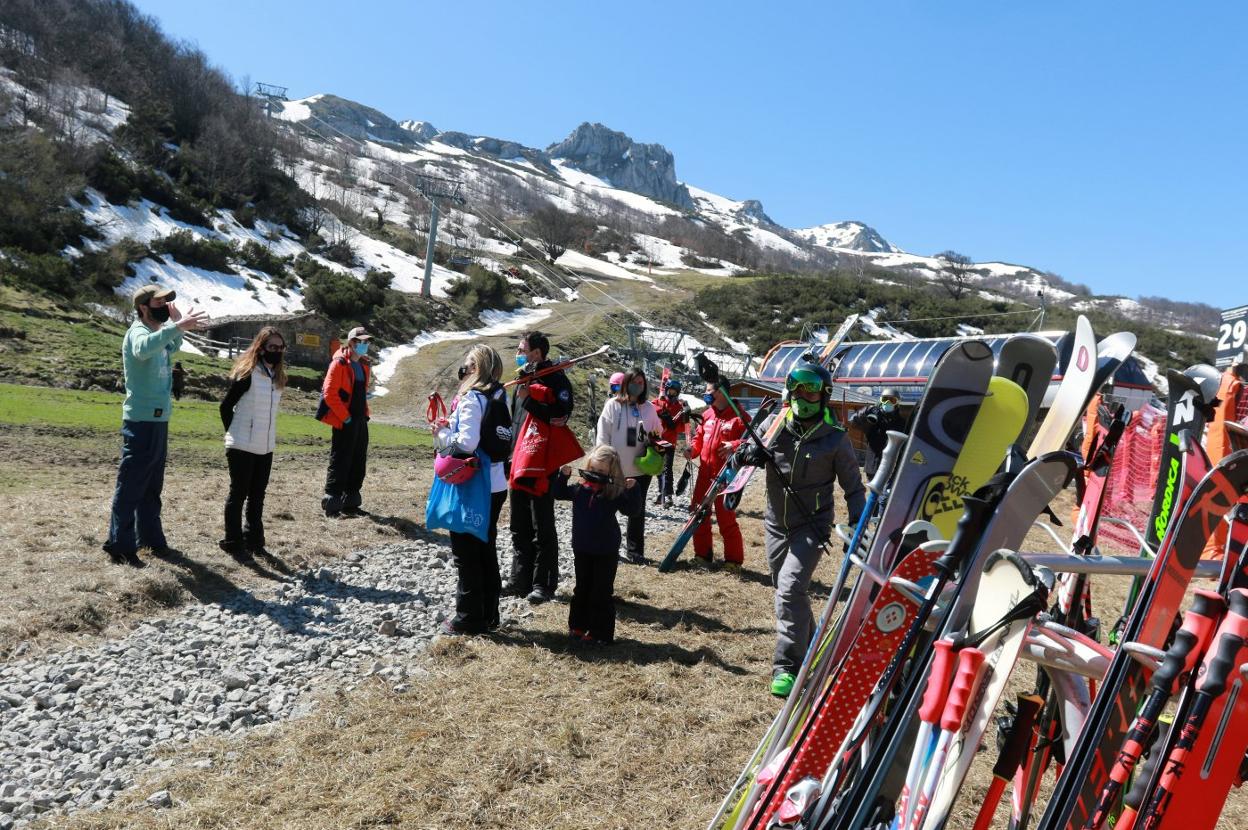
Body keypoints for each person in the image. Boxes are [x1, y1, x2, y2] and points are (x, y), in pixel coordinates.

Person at [739, 361, 865, 697]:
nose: (802, 395)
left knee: (790, 590)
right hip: (775, 524)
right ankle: (811, 647)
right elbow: (741, 452)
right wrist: (748, 455)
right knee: (787, 592)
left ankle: (787, 666)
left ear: (824, 395)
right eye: (796, 386)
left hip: (812, 526)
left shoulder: (836, 439)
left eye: (810, 388)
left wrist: (859, 524)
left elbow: (854, 487)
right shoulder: (775, 423)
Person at [103, 285, 208, 568]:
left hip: (158, 420)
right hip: (140, 421)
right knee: (131, 485)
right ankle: (120, 546)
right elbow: (142, 349)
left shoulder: (158, 333)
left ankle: (149, 539)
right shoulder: (138, 332)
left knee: (151, 486)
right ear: (144, 307)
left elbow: (172, 345)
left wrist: (177, 325)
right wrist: (176, 326)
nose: (165, 305)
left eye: (167, 301)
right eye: (160, 301)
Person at [433, 344, 512, 634]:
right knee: (485, 548)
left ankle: (467, 617)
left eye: (466, 366)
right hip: (496, 484)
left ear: (476, 369)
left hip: (472, 485)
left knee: (466, 553)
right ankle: (490, 614)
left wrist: (442, 435)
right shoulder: (500, 397)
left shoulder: (472, 398)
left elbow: (465, 443)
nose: (462, 371)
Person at [505, 330, 576, 604]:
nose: (519, 351)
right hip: (517, 459)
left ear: (536, 352)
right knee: (518, 523)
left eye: (522, 348)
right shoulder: (522, 376)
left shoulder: (557, 378)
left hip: (540, 461)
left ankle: (543, 583)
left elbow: (560, 416)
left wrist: (531, 399)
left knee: (541, 523)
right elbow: (514, 421)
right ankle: (518, 579)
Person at [553, 446, 636, 645]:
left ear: (611, 473)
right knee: (582, 588)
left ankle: (601, 633)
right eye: (594, 469)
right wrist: (562, 476)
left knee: (601, 591)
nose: (596, 475)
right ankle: (578, 626)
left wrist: (634, 490)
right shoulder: (580, 489)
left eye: (601, 472)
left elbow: (632, 510)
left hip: (606, 550)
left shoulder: (613, 494)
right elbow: (558, 493)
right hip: (582, 548)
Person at [218, 327, 286, 559]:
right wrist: (234, 433)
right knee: (239, 493)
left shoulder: (277, 377)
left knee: (258, 494)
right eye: (272, 347)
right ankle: (233, 540)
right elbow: (225, 407)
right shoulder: (248, 374)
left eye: (280, 347)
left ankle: (254, 540)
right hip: (241, 444)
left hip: (265, 445)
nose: (276, 351)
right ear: (261, 347)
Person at [596, 366, 663, 564]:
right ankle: (607, 547)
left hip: (640, 471)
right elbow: (603, 434)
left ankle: (635, 551)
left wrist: (657, 445)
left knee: (637, 512)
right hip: (614, 469)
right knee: (607, 509)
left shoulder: (649, 409)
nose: (638, 386)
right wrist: (603, 461)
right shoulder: (613, 405)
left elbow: (658, 434)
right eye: (634, 382)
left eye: (641, 383)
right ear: (626, 383)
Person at [686, 381, 747, 572]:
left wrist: (735, 445)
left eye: (708, 390)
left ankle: (733, 561)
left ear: (721, 392)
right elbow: (698, 439)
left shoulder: (739, 415)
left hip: (725, 477)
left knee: (726, 519)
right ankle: (703, 555)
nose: (705, 393)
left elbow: (752, 440)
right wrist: (692, 450)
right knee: (698, 515)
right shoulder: (707, 414)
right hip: (704, 474)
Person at [317, 326, 372, 517]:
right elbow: (330, 394)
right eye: (361, 342)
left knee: (358, 460)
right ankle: (332, 503)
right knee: (340, 460)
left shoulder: (364, 365)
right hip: (344, 421)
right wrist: (346, 417)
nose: (365, 345)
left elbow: (361, 393)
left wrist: (364, 414)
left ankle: (351, 502)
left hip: (359, 420)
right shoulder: (338, 364)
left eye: (367, 342)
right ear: (351, 343)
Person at [850, 387, 905, 475]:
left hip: (891, 467)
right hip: (873, 465)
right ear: (880, 401)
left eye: (892, 400)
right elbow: (853, 422)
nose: (888, 403)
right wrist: (866, 411)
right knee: (873, 487)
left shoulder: (901, 422)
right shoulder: (874, 417)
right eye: (885, 399)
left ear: (897, 403)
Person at [652, 377, 689, 507]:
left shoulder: (679, 407)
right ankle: (661, 492)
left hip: (669, 442)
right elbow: (648, 407)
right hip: (656, 439)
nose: (672, 394)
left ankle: (668, 495)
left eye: (675, 392)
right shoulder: (660, 402)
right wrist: (661, 412)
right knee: (657, 467)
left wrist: (680, 420)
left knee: (667, 468)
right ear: (666, 390)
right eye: (670, 391)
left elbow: (682, 428)